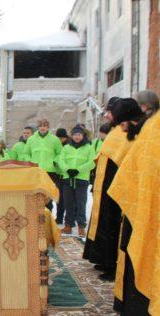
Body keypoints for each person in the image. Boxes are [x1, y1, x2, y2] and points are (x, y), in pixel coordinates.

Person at [107, 98, 154, 315]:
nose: (121, 128)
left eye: (121, 123)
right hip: (137, 204)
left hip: (147, 207)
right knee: (131, 252)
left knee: (141, 254)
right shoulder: (146, 129)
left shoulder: (150, 130)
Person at [83, 97, 133, 282]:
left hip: (114, 188)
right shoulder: (115, 131)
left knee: (111, 227)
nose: (107, 115)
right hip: (104, 187)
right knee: (102, 224)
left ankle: (112, 265)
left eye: (110, 112)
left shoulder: (125, 132)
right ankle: (103, 259)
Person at [57, 126, 95, 237]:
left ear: (82, 136)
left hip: (81, 179)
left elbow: (92, 162)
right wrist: (67, 169)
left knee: (81, 203)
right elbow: (61, 160)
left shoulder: (88, 148)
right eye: (75, 135)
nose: (77, 137)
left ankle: (81, 226)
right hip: (68, 178)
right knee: (68, 203)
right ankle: (68, 225)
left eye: (79, 135)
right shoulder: (67, 147)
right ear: (72, 136)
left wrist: (78, 170)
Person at [24, 119, 63, 211]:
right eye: (41, 126)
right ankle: (36, 214)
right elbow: (25, 153)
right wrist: (30, 161)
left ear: (48, 127)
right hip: (35, 171)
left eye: (45, 126)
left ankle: (48, 213)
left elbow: (60, 153)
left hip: (50, 171)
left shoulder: (55, 139)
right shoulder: (31, 139)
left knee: (48, 194)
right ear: (38, 127)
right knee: (36, 193)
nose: (43, 128)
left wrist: (55, 160)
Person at [54, 128, 69, 224]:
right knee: (59, 198)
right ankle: (59, 217)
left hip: (67, 174)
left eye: (61, 138)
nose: (60, 140)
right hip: (58, 174)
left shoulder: (69, 145)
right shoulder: (56, 144)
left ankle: (70, 218)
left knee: (68, 199)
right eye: (58, 138)